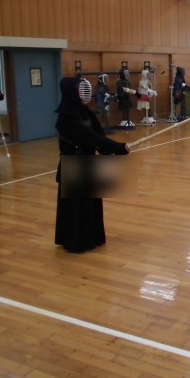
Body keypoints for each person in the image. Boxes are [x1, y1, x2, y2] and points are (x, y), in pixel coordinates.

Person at [55, 76, 130, 253]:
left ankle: (92, 237)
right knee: (77, 207)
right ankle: (76, 241)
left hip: (89, 163)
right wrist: (118, 148)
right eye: (80, 89)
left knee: (91, 205)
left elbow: (99, 137)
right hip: (74, 166)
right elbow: (90, 138)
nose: (85, 93)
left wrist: (113, 149)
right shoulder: (65, 118)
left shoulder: (86, 113)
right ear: (72, 92)